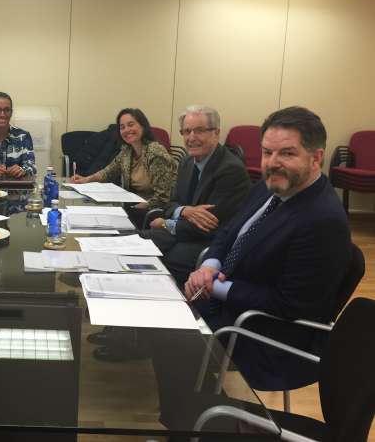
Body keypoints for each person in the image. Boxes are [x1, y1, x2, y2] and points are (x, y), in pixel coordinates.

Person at [152, 106, 351, 431]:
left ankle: (197, 424)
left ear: (316, 158)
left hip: (265, 332)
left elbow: (289, 305)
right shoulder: (270, 186)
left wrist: (216, 286)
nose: (273, 162)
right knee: (161, 319)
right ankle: (187, 419)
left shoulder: (322, 220)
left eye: (287, 153)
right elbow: (229, 233)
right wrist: (211, 264)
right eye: (268, 152)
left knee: (171, 340)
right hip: (233, 303)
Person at [144, 105, 251, 286]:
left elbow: (206, 226)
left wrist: (165, 223)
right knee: (135, 245)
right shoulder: (187, 162)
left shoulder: (230, 170)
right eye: (186, 131)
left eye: (199, 130)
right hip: (180, 234)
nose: (191, 138)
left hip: (207, 244)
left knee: (159, 264)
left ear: (216, 133)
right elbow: (170, 204)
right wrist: (184, 210)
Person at [69, 108, 176, 227]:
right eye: (122, 127)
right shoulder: (127, 150)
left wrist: (134, 208)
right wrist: (85, 179)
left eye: (131, 125)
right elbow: (109, 171)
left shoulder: (155, 152)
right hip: (134, 205)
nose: (126, 130)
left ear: (143, 126)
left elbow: (163, 198)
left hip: (154, 213)